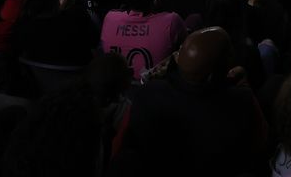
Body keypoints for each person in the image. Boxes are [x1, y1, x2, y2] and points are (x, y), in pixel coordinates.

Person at [111, 27, 269, 177]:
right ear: (213, 75)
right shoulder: (242, 102)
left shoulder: (145, 94)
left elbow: (117, 149)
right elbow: (260, 146)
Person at [101, 0, 186, 80]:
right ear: (156, 0)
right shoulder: (171, 21)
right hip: (154, 89)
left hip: (116, 86)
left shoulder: (110, 18)